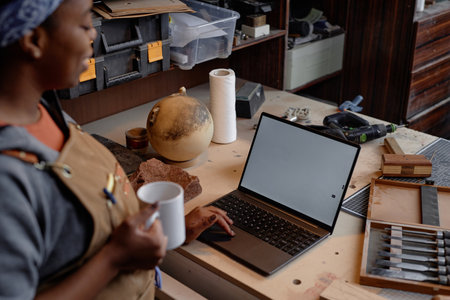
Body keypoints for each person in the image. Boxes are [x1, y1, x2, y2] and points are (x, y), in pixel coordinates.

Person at [0, 0, 234, 299]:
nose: (93, 36)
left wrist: (170, 230)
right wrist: (115, 258)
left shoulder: (48, 111)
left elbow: (81, 223)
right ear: (34, 40)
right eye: (84, 23)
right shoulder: (7, 178)